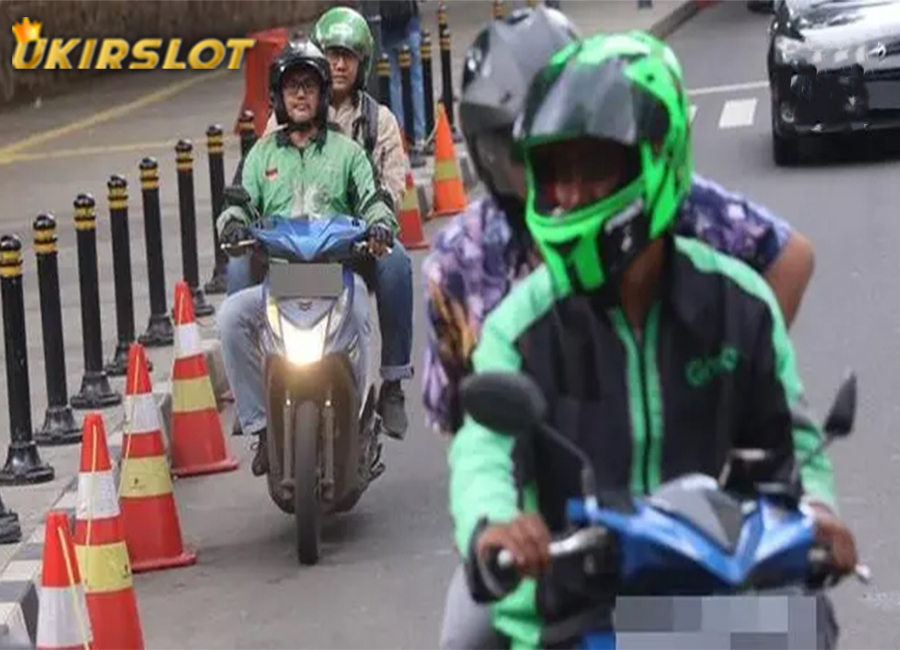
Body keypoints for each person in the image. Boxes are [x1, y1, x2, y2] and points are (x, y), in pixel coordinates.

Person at [447, 31, 858, 650]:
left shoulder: (739, 304)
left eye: (594, 166)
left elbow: (793, 443)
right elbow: (483, 451)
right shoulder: (519, 327)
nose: (571, 194)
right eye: (555, 173)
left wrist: (820, 514)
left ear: (658, 156)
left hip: (713, 605)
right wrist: (495, 526)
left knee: (808, 628)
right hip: (573, 606)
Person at [216, 40, 400, 477]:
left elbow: (375, 200)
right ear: (278, 97)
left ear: (321, 97)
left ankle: (359, 417)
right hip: (280, 280)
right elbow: (236, 202)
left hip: (337, 275)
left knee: (358, 317)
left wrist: (379, 226)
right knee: (229, 319)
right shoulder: (261, 155)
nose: (301, 95)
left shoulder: (348, 153)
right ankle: (260, 427)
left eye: (310, 87)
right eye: (292, 86)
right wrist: (234, 225)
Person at [258, 13, 416, 441]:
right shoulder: (288, 115)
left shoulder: (378, 120)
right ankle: (260, 403)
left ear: (362, 63)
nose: (340, 65)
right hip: (297, 250)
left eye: (348, 56)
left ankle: (394, 381)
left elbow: (392, 187)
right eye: (332, 55)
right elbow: (258, 177)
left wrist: (374, 226)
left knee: (398, 264)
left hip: (357, 246)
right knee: (240, 279)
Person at [380, 0, 426, 147]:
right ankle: (419, 133)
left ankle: (400, 135)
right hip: (410, 28)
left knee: (393, 84)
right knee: (416, 81)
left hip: (387, 32)